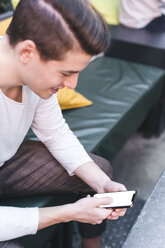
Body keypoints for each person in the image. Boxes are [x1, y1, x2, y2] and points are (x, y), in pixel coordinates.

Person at [0, 0, 127, 247]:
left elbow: (55, 133)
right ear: (27, 52)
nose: (73, 84)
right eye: (66, 73)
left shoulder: (35, 78)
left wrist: (102, 184)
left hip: (6, 163)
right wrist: (69, 212)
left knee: (99, 174)